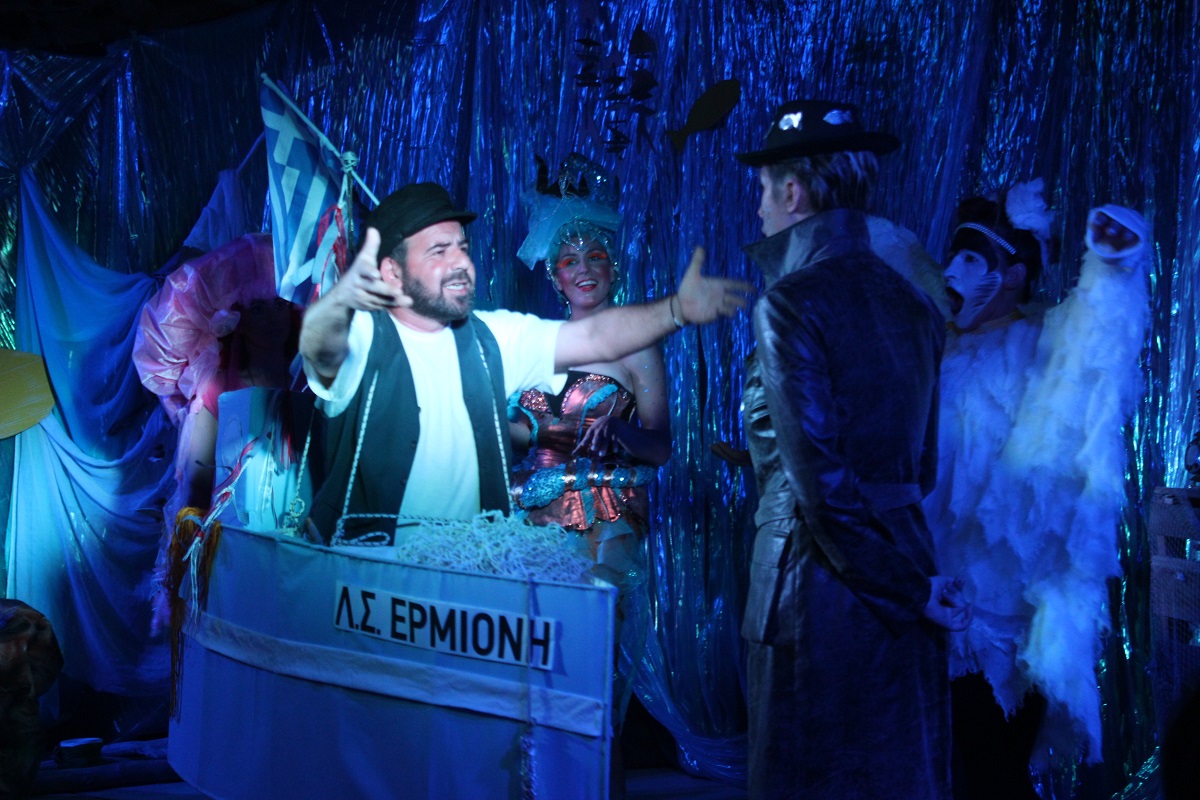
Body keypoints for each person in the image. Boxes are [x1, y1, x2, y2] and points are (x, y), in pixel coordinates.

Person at [734, 99, 971, 800]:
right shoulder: (916, 304)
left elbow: (822, 489)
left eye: (763, 190)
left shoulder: (789, 303)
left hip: (817, 590)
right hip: (905, 562)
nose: (759, 209)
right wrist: (913, 585)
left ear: (793, 191)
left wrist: (906, 590)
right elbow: (921, 468)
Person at [299, 181, 749, 543]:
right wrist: (339, 301)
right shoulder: (363, 335)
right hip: (377, 575)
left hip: (481, 566)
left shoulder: (493, 336)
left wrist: (675, 310)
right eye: (439, 251)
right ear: (393, 272)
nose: (460, 262)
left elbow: (598, 337)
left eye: (462, 247)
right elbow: (320, 348)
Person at [922, 182, 1151, 794]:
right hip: (938, 590)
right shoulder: (939, 351)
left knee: (993, 765)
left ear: (1014, 274)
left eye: (972, 259)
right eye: (953, 257)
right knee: (961, 764)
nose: (952, 272)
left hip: (1006, 606)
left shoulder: (1038, 342)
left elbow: (1094, 339)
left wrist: (1111, 263)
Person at [508, 151, 671, 800]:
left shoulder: (636, 344)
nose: (582, 269)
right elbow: (522, 438)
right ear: (554, 276)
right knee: (535, 675)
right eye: (568, 260)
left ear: (613, 267)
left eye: (594, 257)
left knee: (589, 673)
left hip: (605, 520)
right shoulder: (540, 345)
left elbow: (660, 447)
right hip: (535, 523)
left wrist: (621, 433)